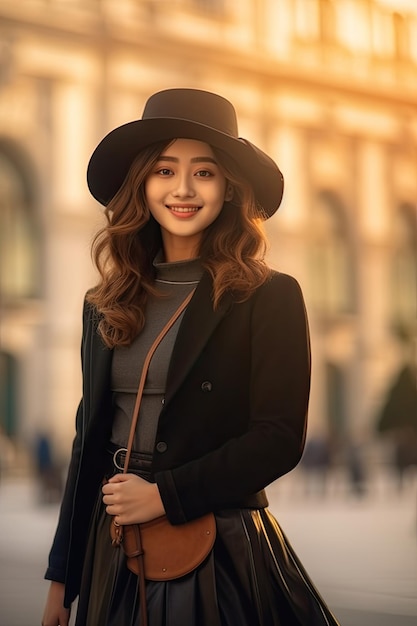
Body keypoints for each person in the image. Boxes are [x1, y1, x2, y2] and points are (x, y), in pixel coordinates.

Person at [41, 88, 340, 626]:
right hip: (111, 547)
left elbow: (278, 437)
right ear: (142, 185)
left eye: (203, 172)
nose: (182, 189)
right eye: (163, 170)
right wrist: (62, 581)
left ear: (228, 188)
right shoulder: (104, 303)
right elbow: (87, 445)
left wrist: (163, 496)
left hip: (215, 545)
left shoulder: (268, 295)